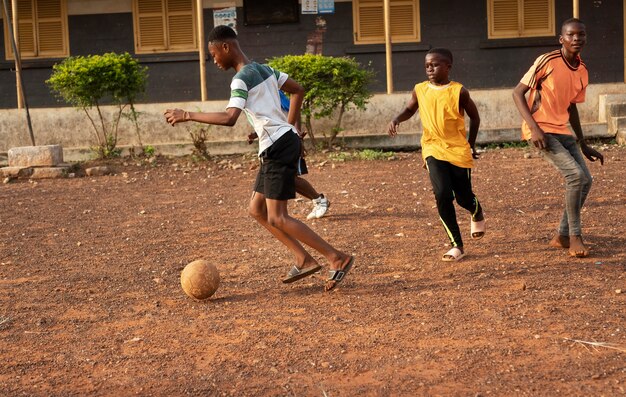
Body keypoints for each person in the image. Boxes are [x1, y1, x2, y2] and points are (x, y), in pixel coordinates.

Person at [164, 25, 354, 290]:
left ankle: (337, 258)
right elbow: (297, 90)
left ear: (226, 47)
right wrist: (288, 126)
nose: (214, 61)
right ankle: (303, 258)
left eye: (213, 54)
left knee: (278, 217)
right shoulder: (264, 69)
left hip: (277, 146)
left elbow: (230, 118)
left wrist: (187, 115)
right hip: (277, 142)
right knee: (256, 210)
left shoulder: (241, 79)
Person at [512, 18, 604, 258]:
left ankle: (562, 235)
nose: (576, 39)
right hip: (541, 129)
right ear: (561, 39)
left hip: (562, 130)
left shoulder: (582, 70)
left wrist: (583, 142)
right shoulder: (547, 61)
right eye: (571, 35)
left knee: (586, 179)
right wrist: (533, 128)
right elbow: (518, 92)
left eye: (580, 35)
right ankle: (575, 237)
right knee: (575, 176)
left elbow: (572, 107)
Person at [387, 48, 485, 262]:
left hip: (458, 149)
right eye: (427, 66)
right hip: (432, 148)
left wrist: (471, 145)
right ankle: (456, 245)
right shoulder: (420, 89)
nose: (430, 69)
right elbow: (410, 110)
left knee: (463, 197)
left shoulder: (459, 91)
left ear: (448, 67)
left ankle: (476, 210)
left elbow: (475, 118)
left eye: (435, 65)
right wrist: (396, 119)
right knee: (442, 195)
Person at [247, 91, 330, 220]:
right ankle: (265, 210)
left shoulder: (269, 89)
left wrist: (295, 133)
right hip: (274, 143)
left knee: (288, 177)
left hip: (285, 141)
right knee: (284, 177)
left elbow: (293, 107)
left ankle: (319, 200)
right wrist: (255, 134)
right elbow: (271, 122)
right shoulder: (252, 92)